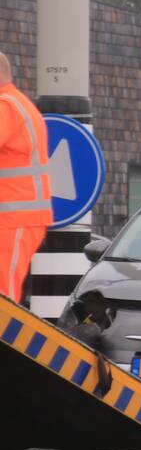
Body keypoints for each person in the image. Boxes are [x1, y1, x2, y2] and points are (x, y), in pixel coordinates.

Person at [0, 51, 52, 304]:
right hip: (15, 217)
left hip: (12, 218)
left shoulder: (6, 107)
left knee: (2, 295)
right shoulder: (15, 105)